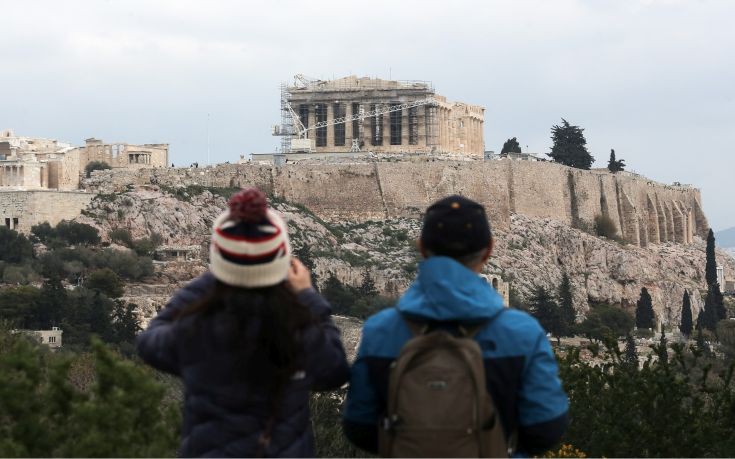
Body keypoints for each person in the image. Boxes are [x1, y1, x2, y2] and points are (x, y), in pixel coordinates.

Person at [342, 195, 568, 457]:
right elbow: (547, 428)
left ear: (422, 248)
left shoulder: (380, 331)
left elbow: (359, 426)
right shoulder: (524, 333)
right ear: (489, 250)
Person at [137, 188, 350, 457]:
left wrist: (212, 279)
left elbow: (149, 342)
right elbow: (335, 371)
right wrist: (309, 298)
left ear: (219, 262)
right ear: (281, 260)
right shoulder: (298, 330)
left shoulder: (196, 331)